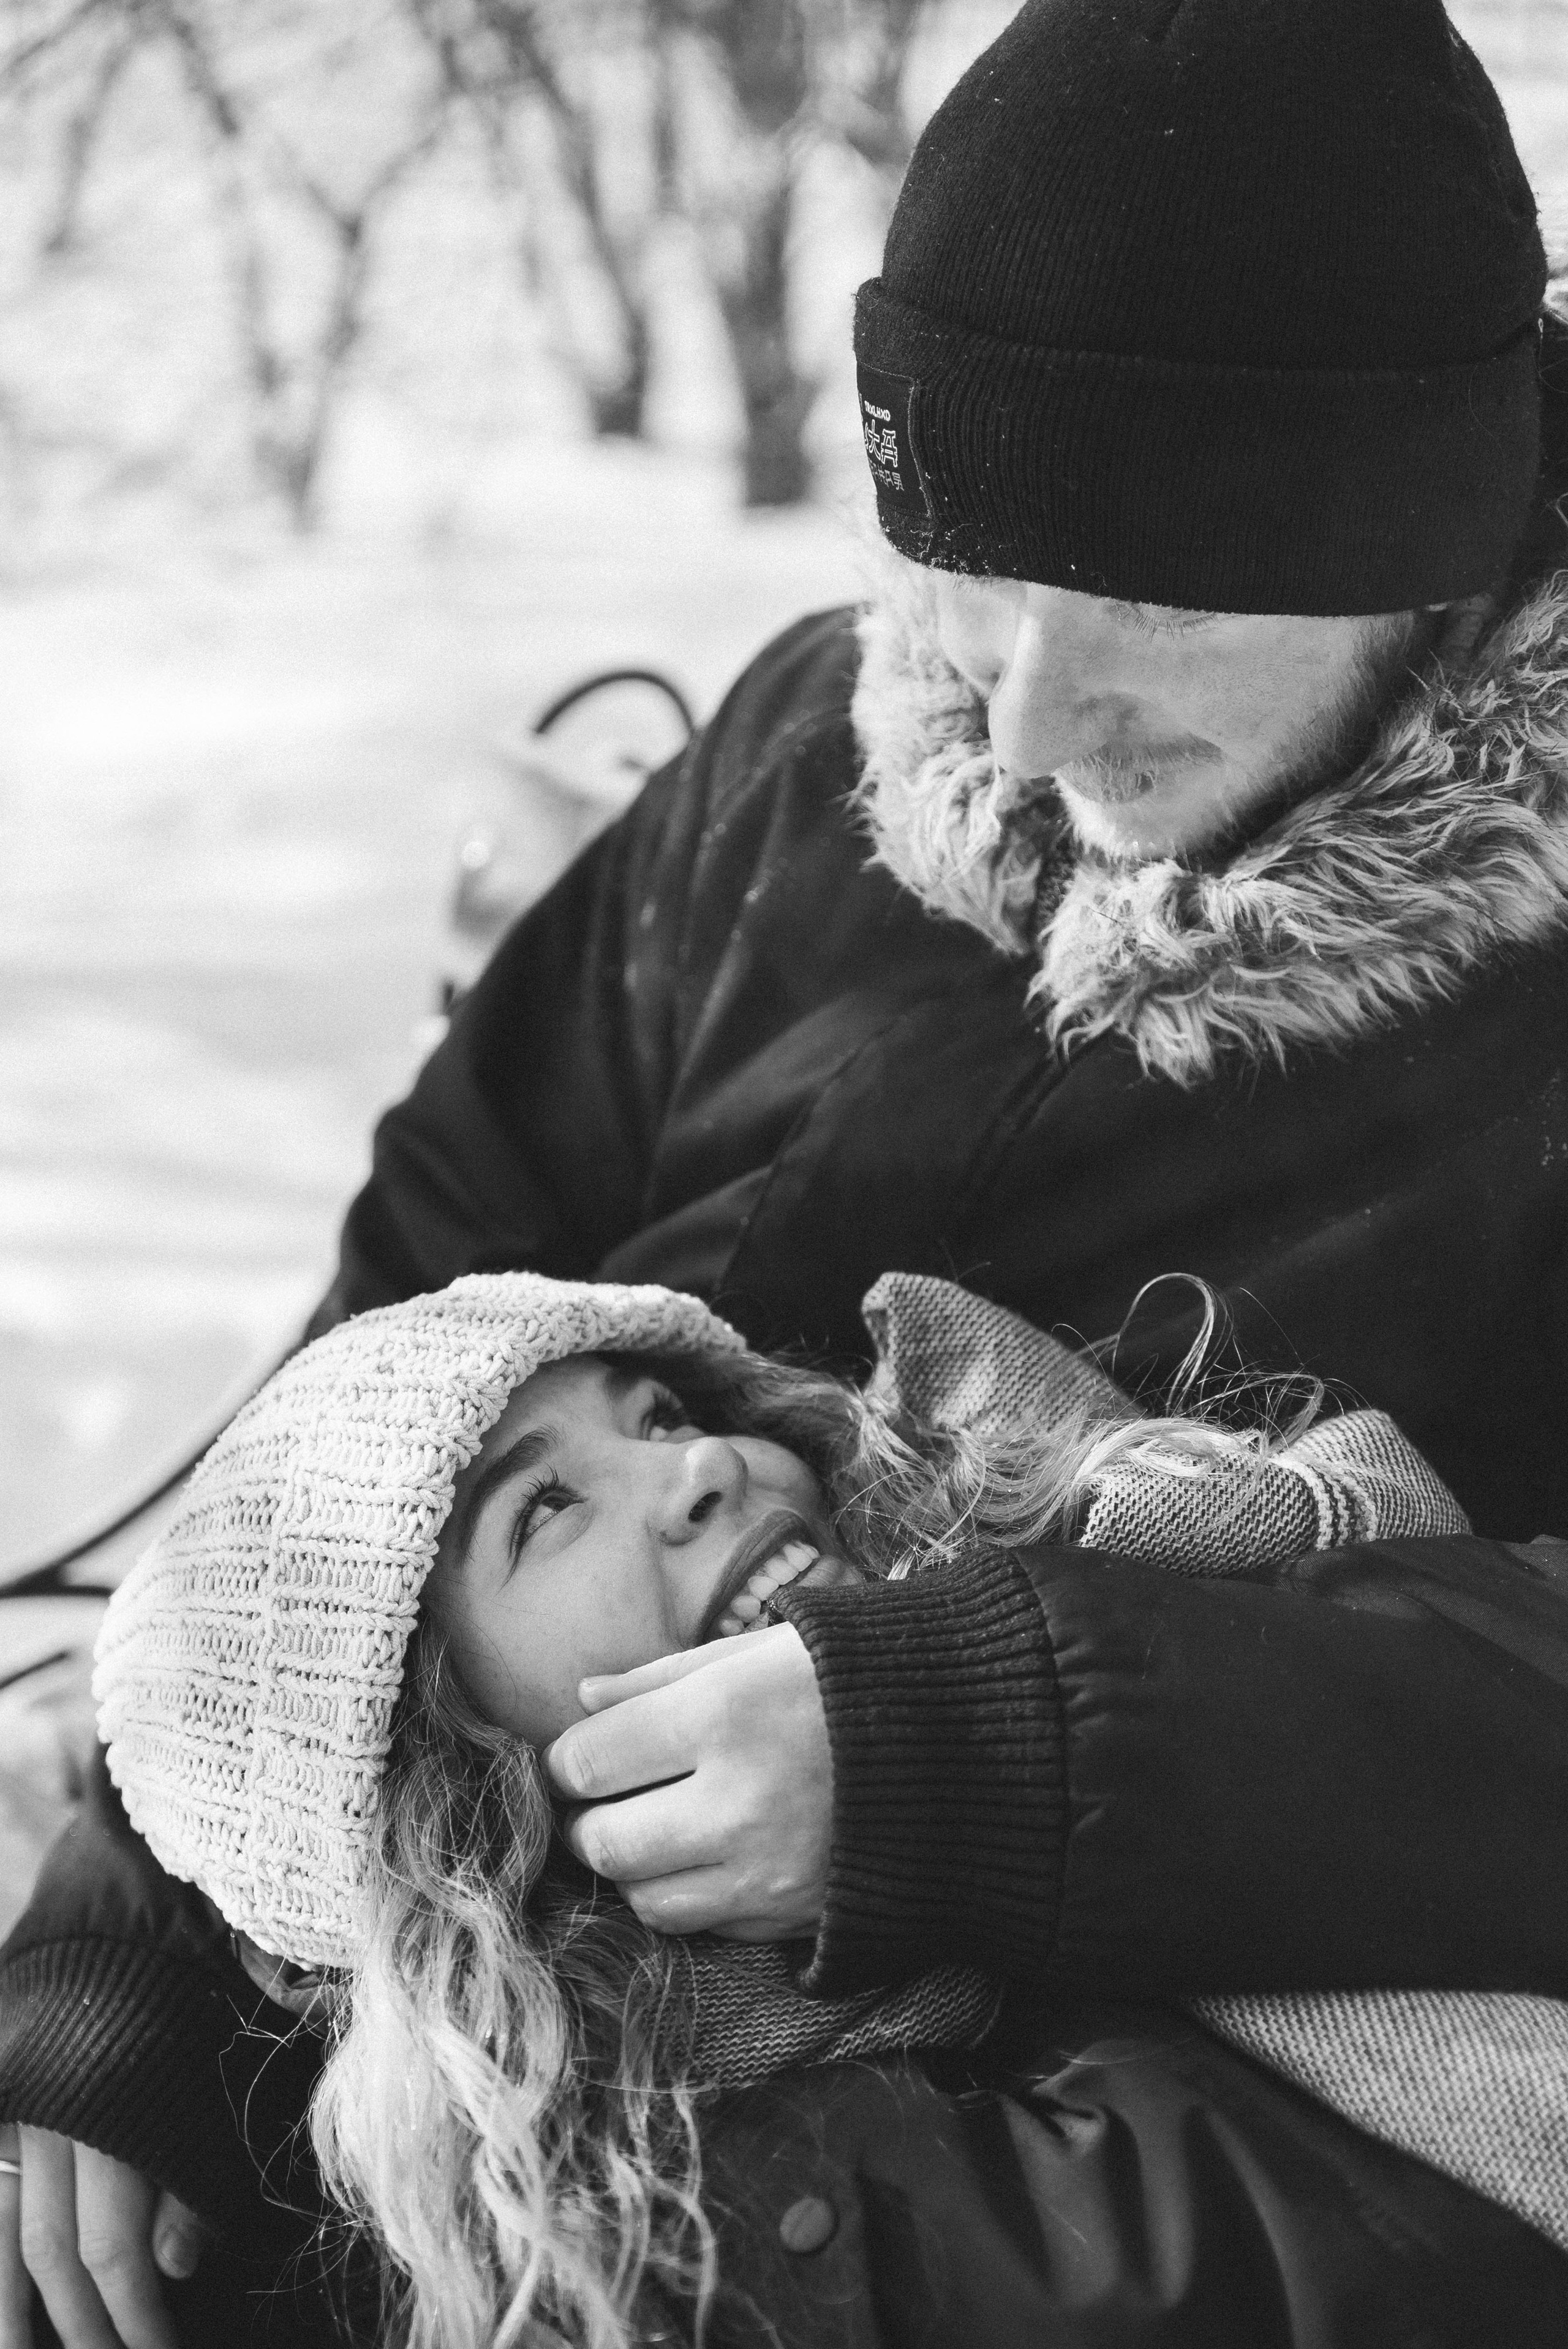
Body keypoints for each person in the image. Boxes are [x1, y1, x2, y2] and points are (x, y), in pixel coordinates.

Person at [5, 0, 1568, 2332]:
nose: (1024, 717)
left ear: (1431, 542)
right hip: (465, 2014)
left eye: (1155, 599)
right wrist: (147, 1933)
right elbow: (403, 1350)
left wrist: (987, 1752)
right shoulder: (796, 767)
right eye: (974, 563)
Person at [38, 1269, 1568, 2349]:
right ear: (449, 1789)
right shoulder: (685, 2230)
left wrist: (981, 1749)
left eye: (656, 1413)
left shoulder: (1126, 1548)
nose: (701, 1463)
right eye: (545, 1508)